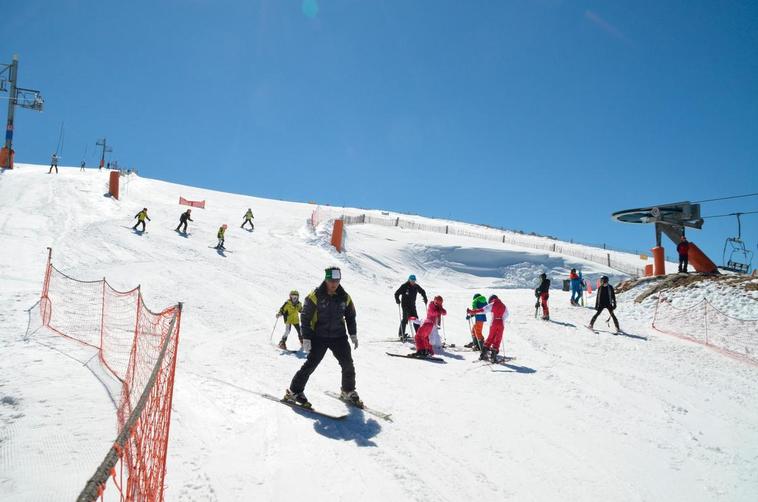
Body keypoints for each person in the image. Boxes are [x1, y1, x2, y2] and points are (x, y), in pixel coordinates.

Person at [284, 266, 360, 407]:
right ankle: (294, 391)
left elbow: (350, 316)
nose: (334, 284)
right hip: (319, 336)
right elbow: (305, 317)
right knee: (311, 364)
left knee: (348, 364)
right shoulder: (315, 296)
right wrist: (306, 338)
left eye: (337, 280)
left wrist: (353, 334)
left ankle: (348, 390)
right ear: (326, 279)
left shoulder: (345, 297)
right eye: (331, 280)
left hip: (339, 336)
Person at [468, 294, 508, 362]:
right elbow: (506, 315)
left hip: (494, 323)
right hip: (501, 323)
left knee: (490, 337)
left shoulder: (492, 304)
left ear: (491, 300)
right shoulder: (503, 305)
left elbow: (482, 310)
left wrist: (472, 312)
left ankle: (483, 354)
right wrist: (502, 321)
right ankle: (493, 356)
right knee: (498, 338)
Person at [394, 274, 428, 341]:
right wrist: (397, 300)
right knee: (405, 319)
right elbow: (396, 293)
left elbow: (422, 291)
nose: (413, 282)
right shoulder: (404, 286)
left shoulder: (416, 286)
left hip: (412, 306)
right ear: (409, 280)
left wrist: (425, 297)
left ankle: (419, 334)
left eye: (414, 280)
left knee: (416, 320)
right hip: (405, 305)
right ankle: (401, 334)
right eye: (412, 280)